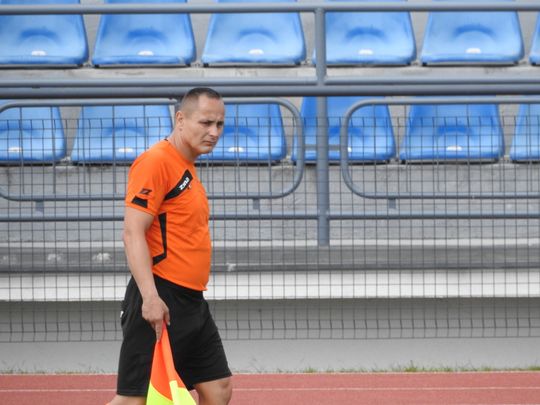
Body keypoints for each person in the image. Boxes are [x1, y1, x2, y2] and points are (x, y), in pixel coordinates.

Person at [108, 87, 232, 405]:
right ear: (180, 119)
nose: (214, 132)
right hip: (161, 297)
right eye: (205, 122)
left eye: (219, 124)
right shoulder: (156, 162)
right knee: (134, 400)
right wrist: (151, 298)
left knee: (217, 389)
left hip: (192, 301)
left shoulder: (186, 166)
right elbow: (132, 233)